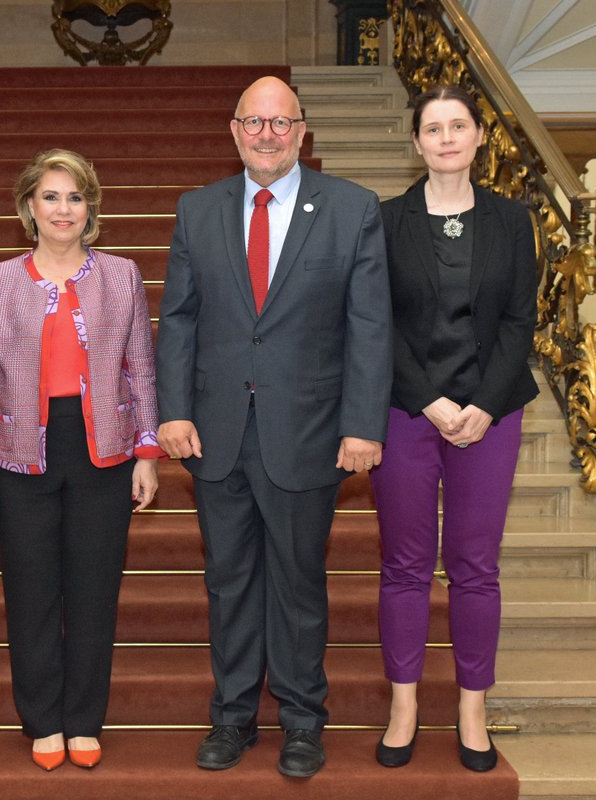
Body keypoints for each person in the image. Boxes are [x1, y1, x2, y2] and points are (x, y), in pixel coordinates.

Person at [155, 77, 393, 778]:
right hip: (217, 431)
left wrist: (362, 424)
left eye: (280, 123)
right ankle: (232, 716)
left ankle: (301, 721)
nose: (267, 135)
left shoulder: (352, 208)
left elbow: (370, 325)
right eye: (254, 123)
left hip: (309, 431)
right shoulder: (198, 210)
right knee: (228, 581)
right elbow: (179, 319)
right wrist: (174, 409)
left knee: (297, 582)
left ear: (301, 131)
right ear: (234, 131)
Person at [0, 149, 161, 771]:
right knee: (31, 591)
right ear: (29, 207)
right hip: (20, 454)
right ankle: (43, 719)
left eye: (75, 197)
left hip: (104, 450)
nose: (63, 209)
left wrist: (147, 453)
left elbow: (140, 366)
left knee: (95, 593)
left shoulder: (122, 275)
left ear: (90, 207)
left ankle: (84, 720)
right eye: (50, 197)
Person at [370, 85, 538, 772]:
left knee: (474, 566)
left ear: (478, 136)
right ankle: (404, 706)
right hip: (407, 411)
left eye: (457, 125)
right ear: (416, 142)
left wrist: (486, 405)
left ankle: (473, 708)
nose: (446, 138)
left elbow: (520, 322)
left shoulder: (511, 219)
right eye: (433, 128)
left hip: (491, 414)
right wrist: (430, 401)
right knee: (405, 565)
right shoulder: (385, 221)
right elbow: (375, 322)